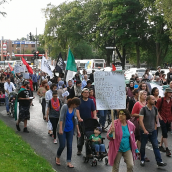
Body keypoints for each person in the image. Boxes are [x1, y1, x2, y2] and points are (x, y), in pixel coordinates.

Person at [139, 95, 167, 167]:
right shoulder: (143, 109)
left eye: (154, 99)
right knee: (142, 146)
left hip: (153, 131)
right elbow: (141, 121)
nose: (154, 100)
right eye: (152, 99)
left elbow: (156, 119)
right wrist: (144, 130)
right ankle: (142, 159)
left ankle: (159, 161)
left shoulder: (155, 109)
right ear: (148, 101)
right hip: (144, 131)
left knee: (156, 146)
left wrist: (155, 128)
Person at [56, 97, 81, 168]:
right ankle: (58, 156)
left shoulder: (74, 109)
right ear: (73, 103)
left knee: (70, 146)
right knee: (62, 145)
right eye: (76, 105)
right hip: (63, 128)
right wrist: (60, 129)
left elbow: (75, 119)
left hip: (70, 129)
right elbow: (61, 118)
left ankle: (69, 161)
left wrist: (78, 130)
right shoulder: (65, 106)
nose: (77, 106)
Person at [76, 88, 97, 155]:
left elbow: (94, 110)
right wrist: (79, 118)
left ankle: (89, 151)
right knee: (81, 136)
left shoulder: (91, 101)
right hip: (81, 121)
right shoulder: (79, 101)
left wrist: (95, 116)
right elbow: (77, 110)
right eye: (85, 92)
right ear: (82, 93)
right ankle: (79, 149)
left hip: (89, 121)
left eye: (87, 92)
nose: (86, 94)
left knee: (89, 136)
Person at [156, 88, 172, 156]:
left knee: (164, 132)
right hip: (162, 118)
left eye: (171, 93)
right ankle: (167, 149)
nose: (171, 94)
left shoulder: (171, 100)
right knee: (165, 133)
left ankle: (160, 145)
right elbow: (156, 109)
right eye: (169, 92)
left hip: (169, 119)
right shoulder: (161, 100)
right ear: (166, 93)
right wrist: (160, 117)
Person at [131, 90, 147, 157]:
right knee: (140, 138)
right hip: (138, 122)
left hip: (146, 123)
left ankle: (136, 150)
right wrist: (141, 115)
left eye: (146, 94)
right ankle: (140, 153)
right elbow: (132, 114)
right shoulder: (137, 103)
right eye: (143, 94)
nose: (145, 95)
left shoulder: (147, 103)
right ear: (140, 95)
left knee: (142, 139)